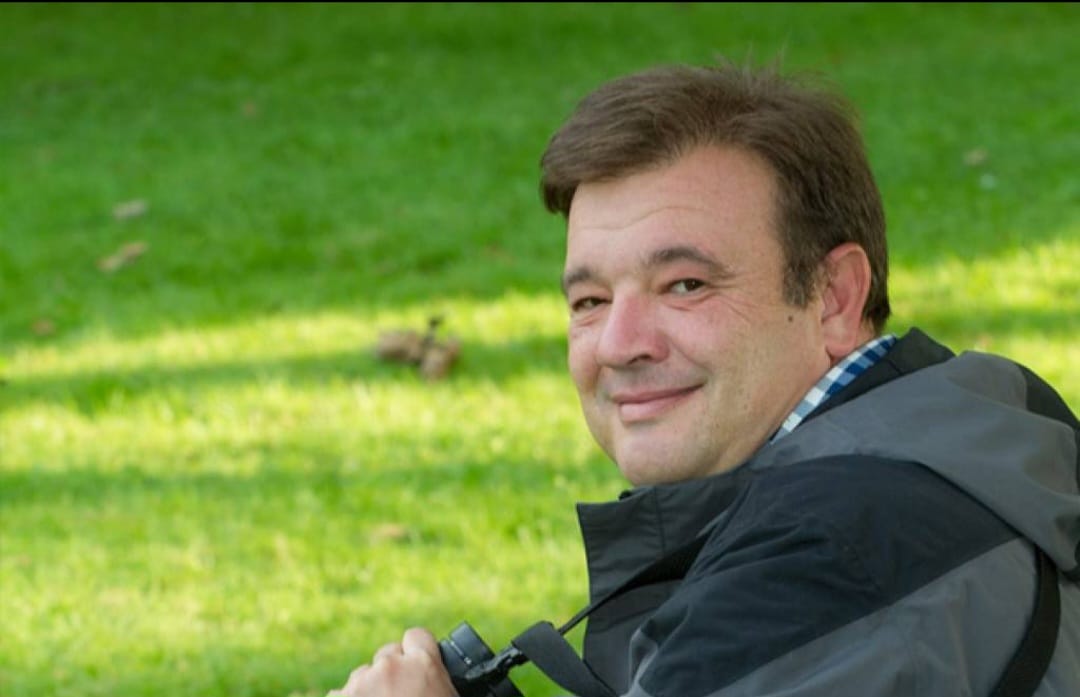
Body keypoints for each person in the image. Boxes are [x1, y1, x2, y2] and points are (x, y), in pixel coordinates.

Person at [329, 61, 1079, 696]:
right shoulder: (968, 437)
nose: (618, 344)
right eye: (590, 301)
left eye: (685, 285)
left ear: (834, 298)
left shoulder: (823, 568)